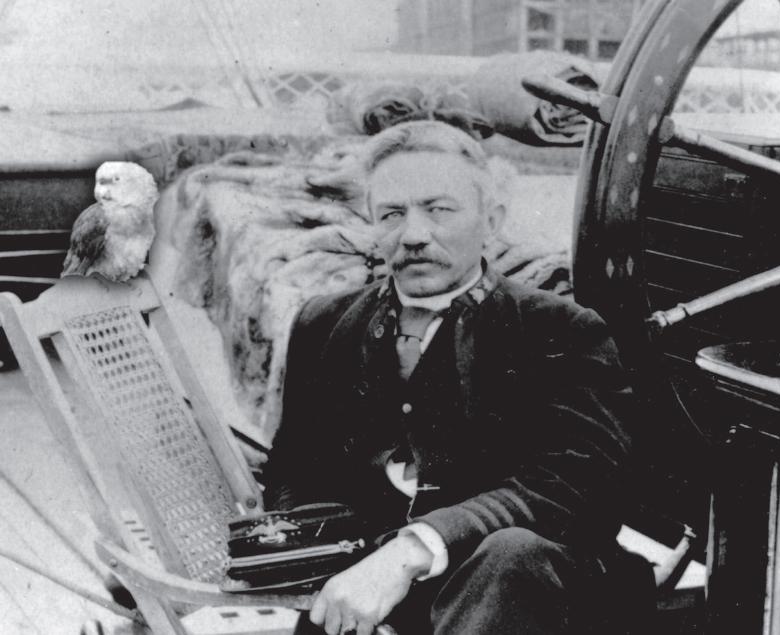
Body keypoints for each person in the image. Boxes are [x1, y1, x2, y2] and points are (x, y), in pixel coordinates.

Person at [261, 120, 653, 635]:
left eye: (439, 210)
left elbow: (572, 487)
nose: (414, 235)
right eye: (392, 214)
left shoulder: (561, 329)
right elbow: (294, 471)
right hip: (374, 596)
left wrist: (413, 550)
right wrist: (338, 573)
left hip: (528, 597)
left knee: (511, 554)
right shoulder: (324, 324)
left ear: (491, 221)